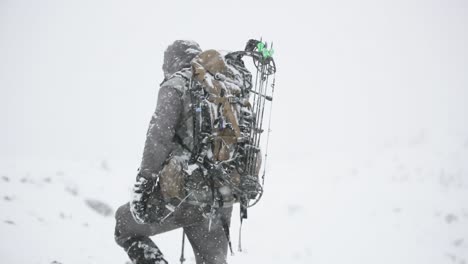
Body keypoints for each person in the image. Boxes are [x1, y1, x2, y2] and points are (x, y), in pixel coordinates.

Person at [114, 40, 255, 264]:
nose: (164, 70)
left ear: (172, 61)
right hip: (224, 193)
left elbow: (158, 139)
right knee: (212, 261)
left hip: (186, 194)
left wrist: (144, 183)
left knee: (124, 224)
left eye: (164, 65)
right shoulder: (223, 88)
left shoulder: (176, 85)